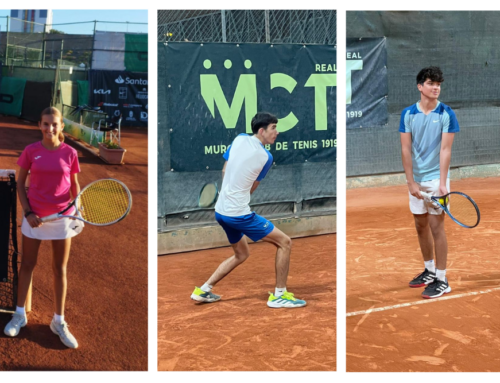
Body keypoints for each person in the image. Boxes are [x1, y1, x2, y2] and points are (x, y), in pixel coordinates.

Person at [191, 112, 306, 308]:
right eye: (273, 128)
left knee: (241, 254)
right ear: (262, 131)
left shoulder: (239, 139)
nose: (276, 132)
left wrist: (230, 191)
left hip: (221, 211)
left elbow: (225, 170)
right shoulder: (266, 157)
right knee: (285, 242)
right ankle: (279, 295)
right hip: (238, 214)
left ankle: (203, 290)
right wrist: (240, 195)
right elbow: (252, 187)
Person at [3, 107, 83, 348]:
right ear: (39, 125)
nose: (50, 128)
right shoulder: (30, 151)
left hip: (62, 219)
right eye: (46, 124)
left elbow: (75, 186)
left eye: (54, 124)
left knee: (60, 269)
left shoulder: (70, 153)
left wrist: (77, 210)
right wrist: (28, 213)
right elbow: (20, 184)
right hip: (34, 218)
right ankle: (19, 315)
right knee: (27, 264)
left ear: (61, 127)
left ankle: (58, 321)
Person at [399, 66, 459, 299]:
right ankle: (429, 270)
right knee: (420, 225)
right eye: (431, 83)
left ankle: (442, 279)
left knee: (437, 227)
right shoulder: (408, 114)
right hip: (417, 181)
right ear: (420, 86)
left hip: (436, 180)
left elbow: (446, 150)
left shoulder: (446, 113)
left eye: (439, 84)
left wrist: (443, 183)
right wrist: (410, 182)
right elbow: (405, 149)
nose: (436, 88)